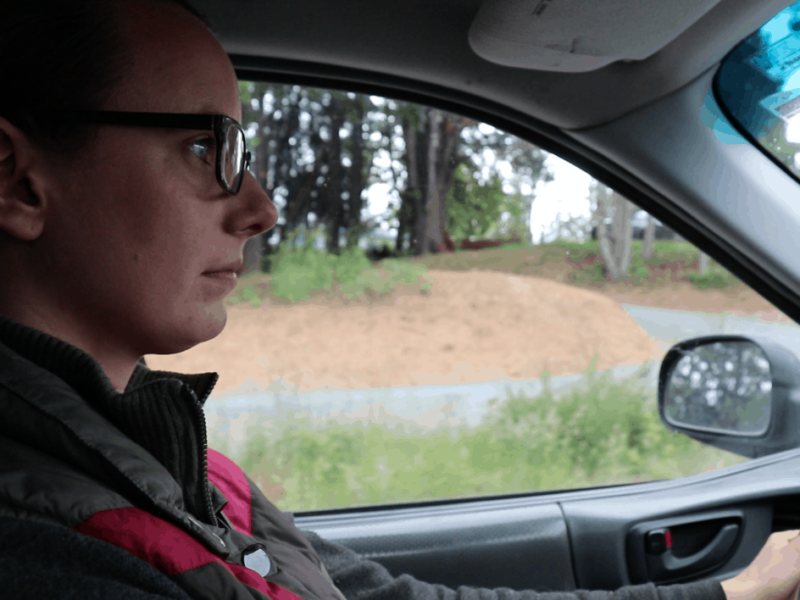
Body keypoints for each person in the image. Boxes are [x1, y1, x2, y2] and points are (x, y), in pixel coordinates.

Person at [0, 1, 798, 599]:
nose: (261, 208)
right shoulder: (43, 553)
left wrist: (729, 594)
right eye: (206, 147)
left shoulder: (171, 467)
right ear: (17, 180)